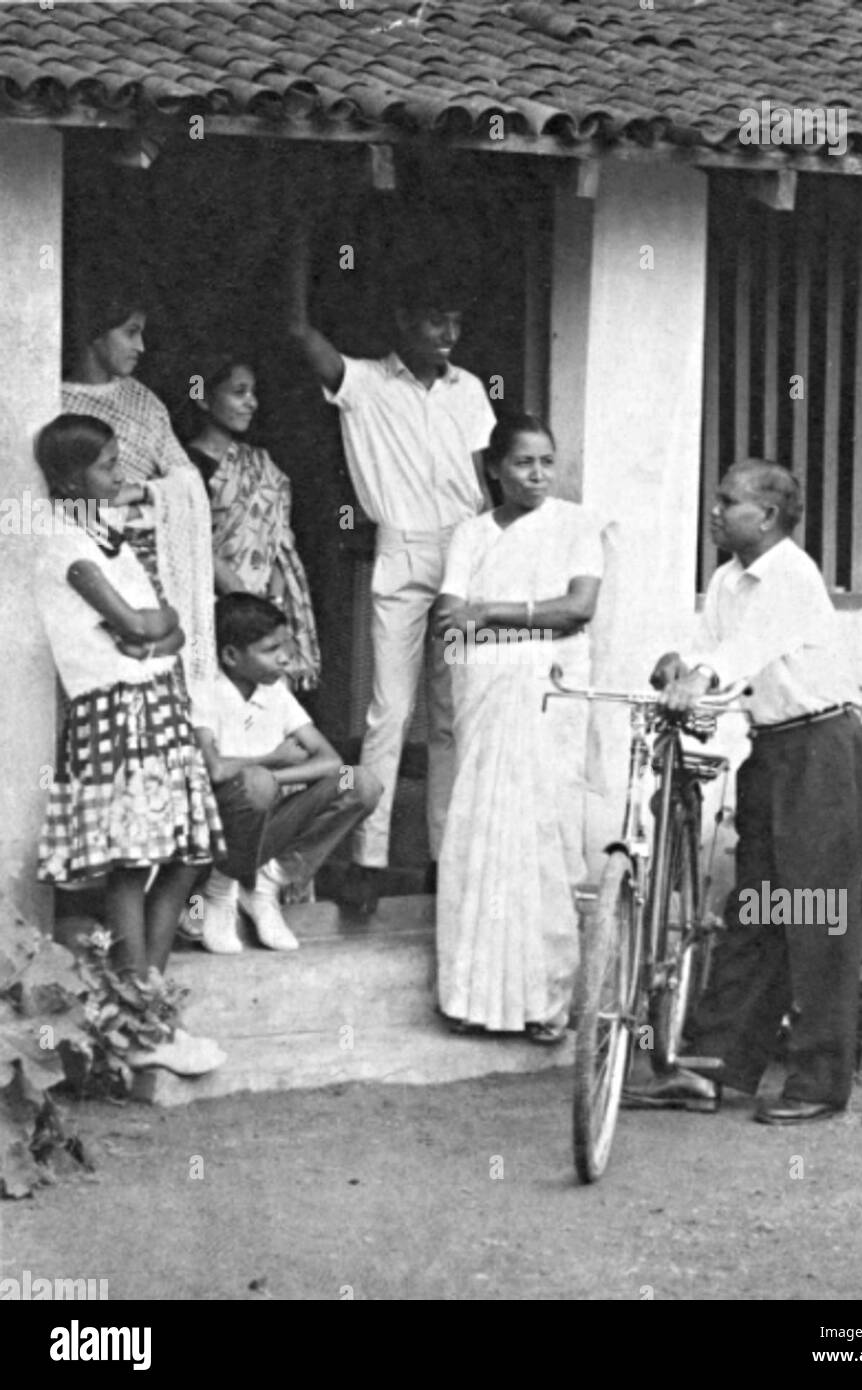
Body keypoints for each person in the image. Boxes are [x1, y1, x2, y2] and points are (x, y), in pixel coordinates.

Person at [629, 459, 862, 1124]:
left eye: (727, 501)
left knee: (815, 914)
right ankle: (715, 1072)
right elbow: (712, 646)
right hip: (771, 752)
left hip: (822, 752)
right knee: (755, 911)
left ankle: (818, 1085)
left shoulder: (791, 576)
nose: (714, 510)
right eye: (714, 498)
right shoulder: (726, 578)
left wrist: (703, 674)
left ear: (764, 516)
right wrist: (679, 663)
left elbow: (744, 652)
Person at [288, 232, 496, 915]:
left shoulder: (468, 389)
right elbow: (300, 335)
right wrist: (295, 237)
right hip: (403, 547)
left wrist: (492, 560)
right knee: (388, 712)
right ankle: (367, 860)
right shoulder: (367, 383)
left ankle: (444, 855)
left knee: (450, 718)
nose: (448, 333)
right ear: (404, 320)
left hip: (466, 550)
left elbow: (478, 482)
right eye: (436, 319)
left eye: (456, 321)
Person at [33, 414, 225, 1076]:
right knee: (130, 864)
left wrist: (150, 630)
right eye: (107, 467)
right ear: (68, 479)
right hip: (113, 714)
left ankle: (146, 1011)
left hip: (159, 709)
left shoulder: (113, 541)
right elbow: (134, 622)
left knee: (183, 858)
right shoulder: (61, 543)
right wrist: (146, 628)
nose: (121, 477)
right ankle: (144, 1023)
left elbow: (165, 630)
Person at [432, 415, 604, 1041]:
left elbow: (577, 609)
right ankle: (470, 996)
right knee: (482, 830)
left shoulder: (577, 526)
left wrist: (494, 614)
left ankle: (544, 1000)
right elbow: (450, 623)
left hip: (549, 693)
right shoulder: (471, 535)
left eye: (547, 462)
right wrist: (522, 623)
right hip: (489, 689)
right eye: (524, 462)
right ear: (495, 469)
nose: (538, 474)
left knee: (543, 835)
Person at [192, 594, 381, 954]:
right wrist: (275, 759)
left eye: (285, 646)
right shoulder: (207, 693)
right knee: (256, 783)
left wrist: (275, 777)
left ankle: (266, 884)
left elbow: (331, 760)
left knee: (360, 782)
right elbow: (215, 768)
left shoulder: (275, 692)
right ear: (232, 656)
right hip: (219, 834)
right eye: (270, 649)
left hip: (268, 825)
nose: (284, 657)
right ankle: (219, 891)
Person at [62, 283, 216, 713]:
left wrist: (142, 491)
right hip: (85, 563)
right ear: (96, 333)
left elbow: (186, 477)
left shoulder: (144, 403)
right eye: (130, 332)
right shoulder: (52, 402)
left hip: (150, 566)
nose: (142, 346)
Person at [184, 351, 321, 690]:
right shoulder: (186, 467)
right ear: (202, 397)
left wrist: (271, 606)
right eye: (239, 392)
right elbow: (193, 542)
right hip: (212, 607)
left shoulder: (260, 464)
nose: (251, 403)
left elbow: (277, 544)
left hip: (265, 607)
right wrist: (242, 602)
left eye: (253, 393)